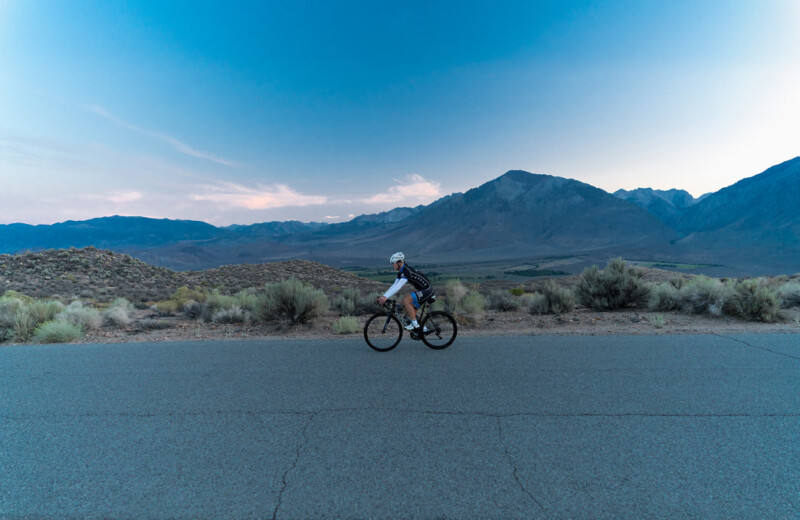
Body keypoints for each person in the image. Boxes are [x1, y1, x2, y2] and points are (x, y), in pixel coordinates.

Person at [377, 252, 434, 331]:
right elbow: (394, 285)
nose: (392, 265)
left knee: (406, 300)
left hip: (427, 290)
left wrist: (385, 297)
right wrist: (384, 296)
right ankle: (422, 329)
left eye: (393, 263)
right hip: (423, 290)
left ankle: (415, 325)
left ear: (399, 262)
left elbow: (398, 287)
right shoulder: (401, 273)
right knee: (410, 312)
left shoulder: (407, 271)